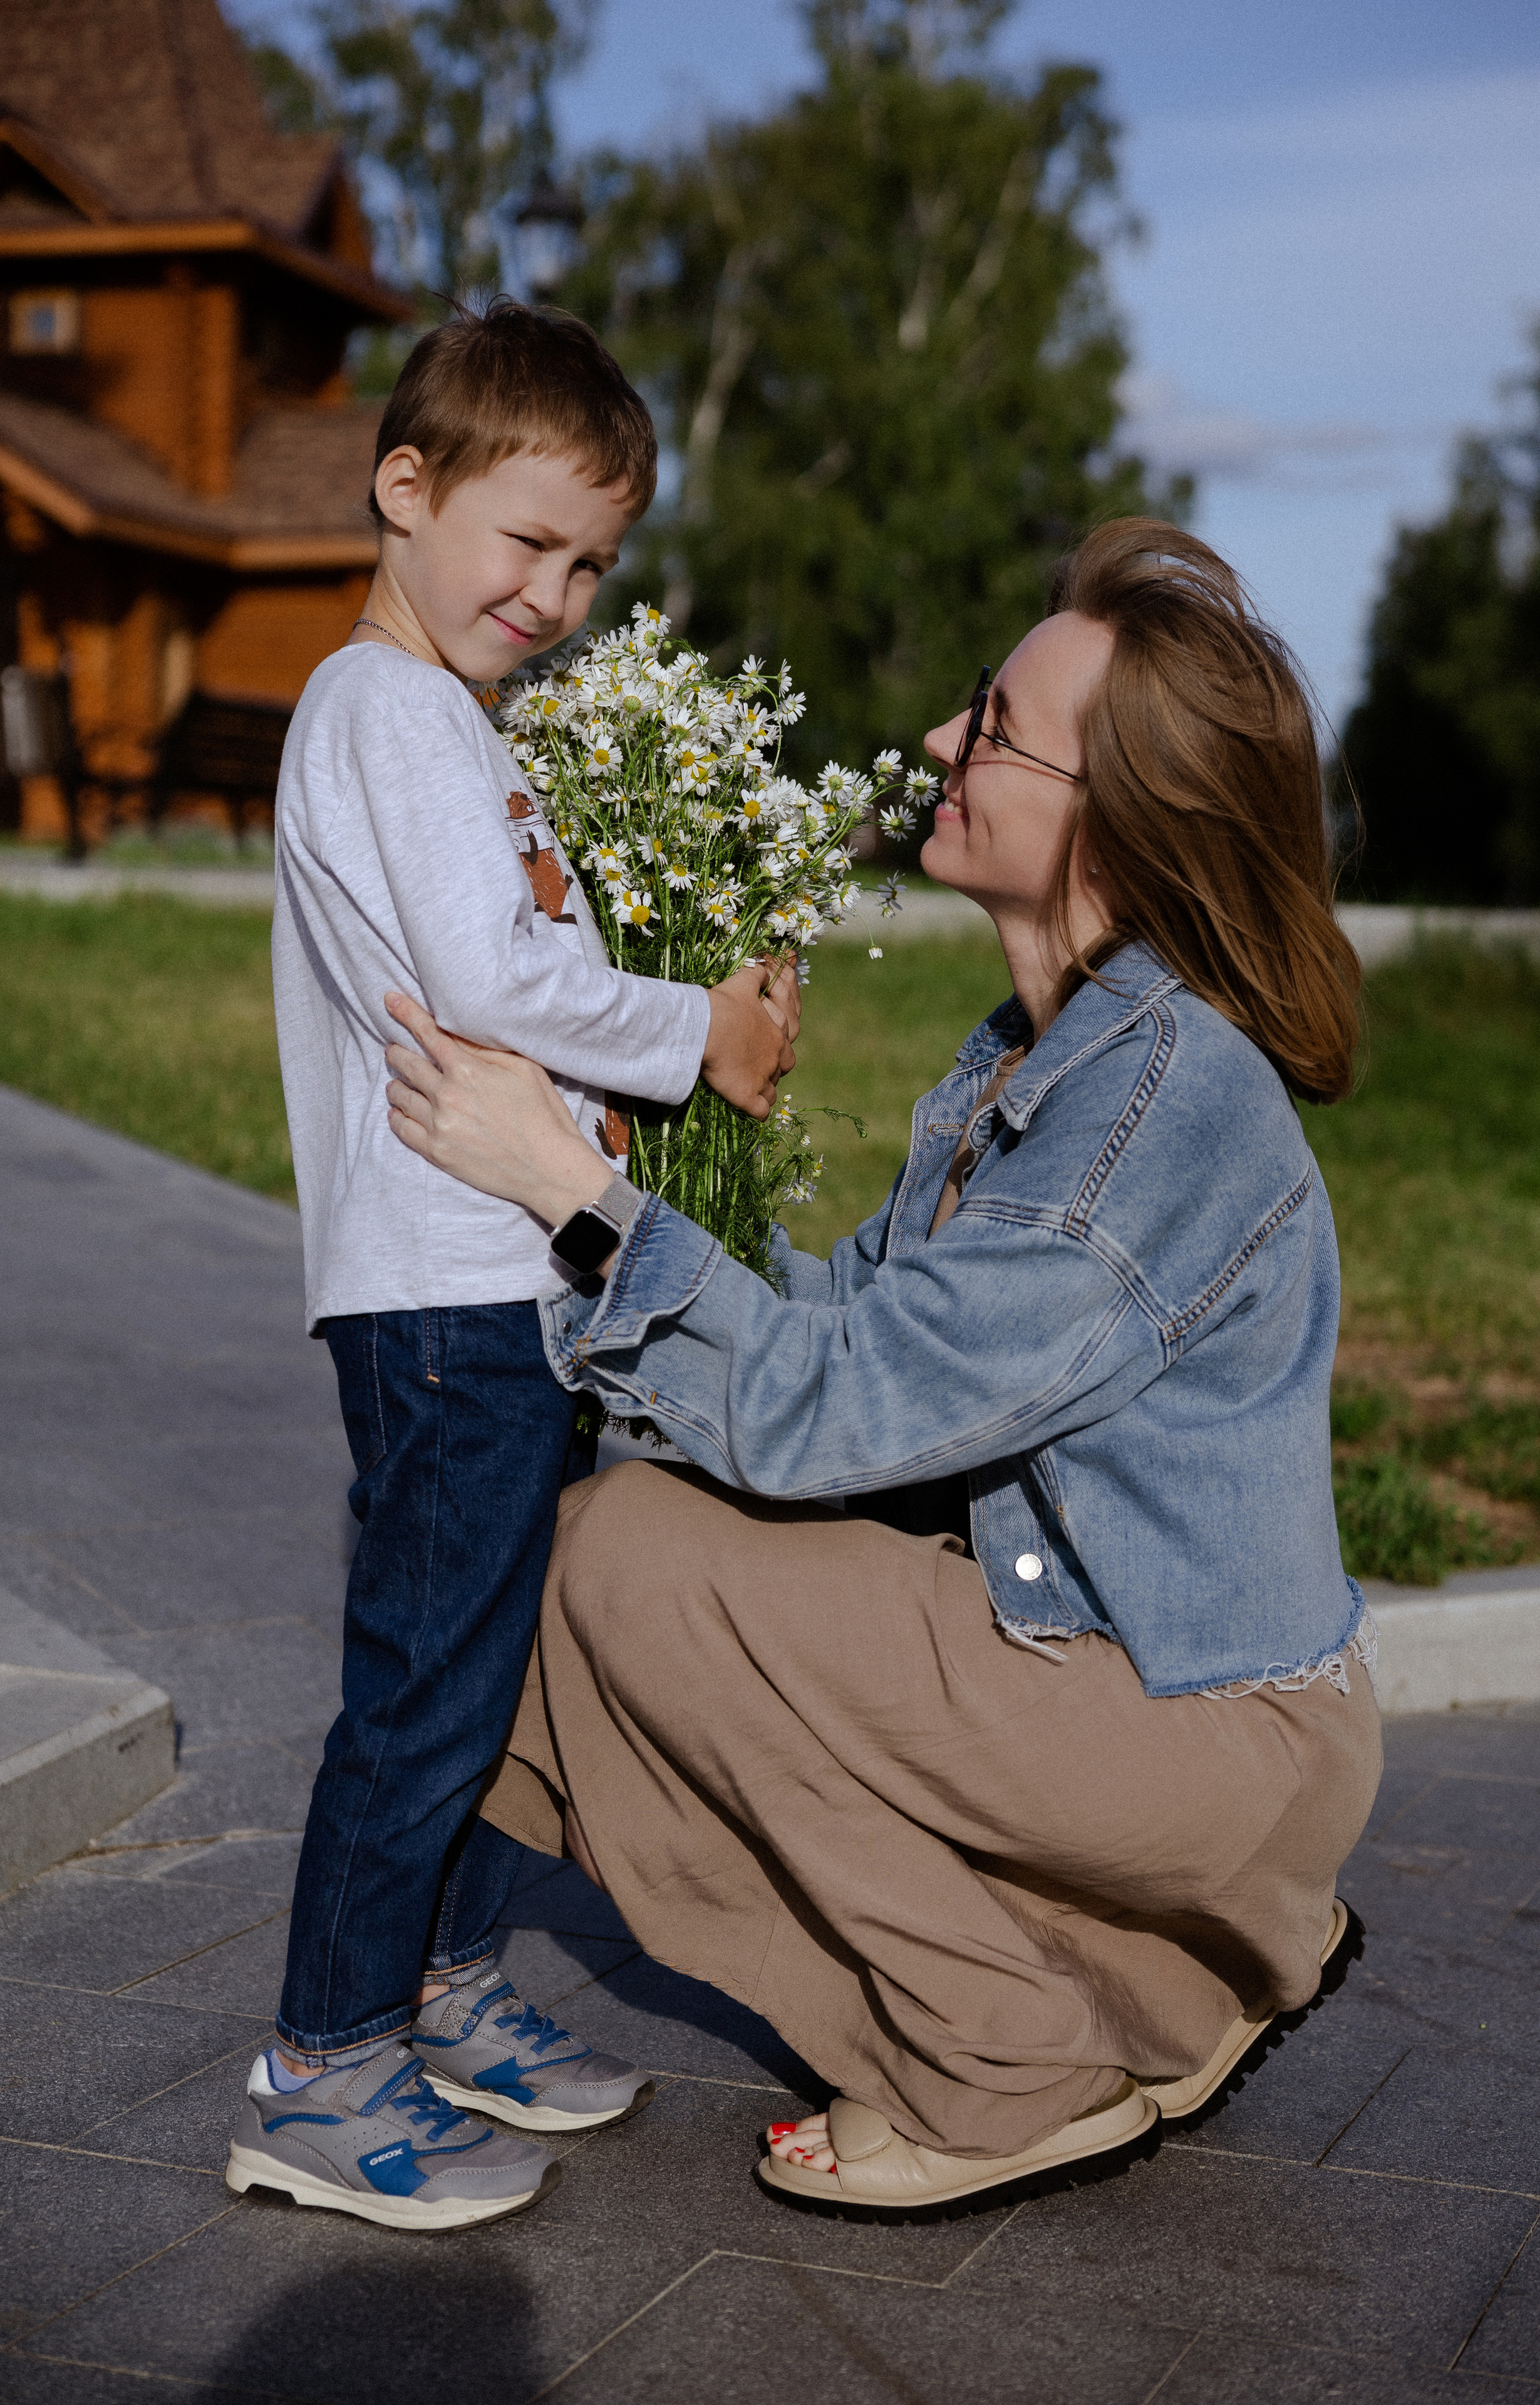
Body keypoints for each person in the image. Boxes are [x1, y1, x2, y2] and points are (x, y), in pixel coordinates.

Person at [380, 517, 1383, 2221]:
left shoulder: (1159, 1104)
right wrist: (630, 1145)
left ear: (1119, 825)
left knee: (639, 1562)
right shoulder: (1031, 1064)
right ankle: (1155, 1985)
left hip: (1205, 1723)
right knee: (647, 1522)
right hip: (1123, 1679)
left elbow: (827, 1409)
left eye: (993, 727)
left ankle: (1009, 2063)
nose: (938, 743)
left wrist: (572, 1194)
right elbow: (856, 1335)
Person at [226, 301, 800, 2233]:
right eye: (526, 543)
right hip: (442, 1289)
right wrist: (696, 1029)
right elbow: (487, 983)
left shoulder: (448, 723)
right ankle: (320, 2064)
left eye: (594, 565)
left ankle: (442, 1987)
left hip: (502, 1270)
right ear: (406, 490)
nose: (556, 594)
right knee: (426, 1683)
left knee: (493, 1663)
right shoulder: (381, 709)